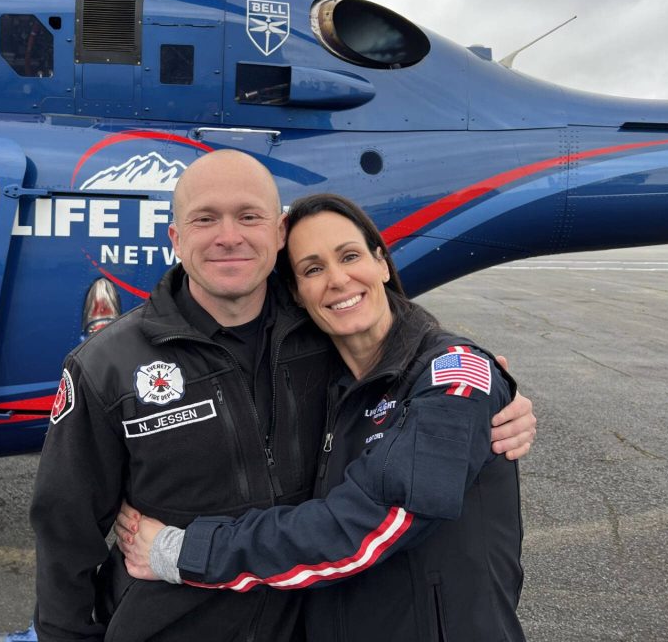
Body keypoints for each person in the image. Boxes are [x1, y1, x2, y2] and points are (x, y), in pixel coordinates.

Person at [30, 151, 535, 642]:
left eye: (249, 216)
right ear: (177, 238)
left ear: (276, 233)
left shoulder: (327, 340)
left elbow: (410, 426)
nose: (229, 237)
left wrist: (492, 393)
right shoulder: (107, 366)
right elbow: (65, 535)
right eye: (206, 219)